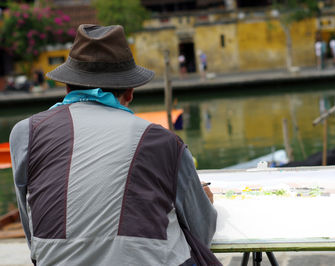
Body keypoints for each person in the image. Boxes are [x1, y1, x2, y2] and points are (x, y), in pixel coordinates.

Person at [9, 24, 220, 266]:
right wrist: (205, 204)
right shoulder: (165, 141)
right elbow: (202, 232)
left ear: (67, 87)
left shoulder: (25, 133)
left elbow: (32, 232)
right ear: (130, 93)